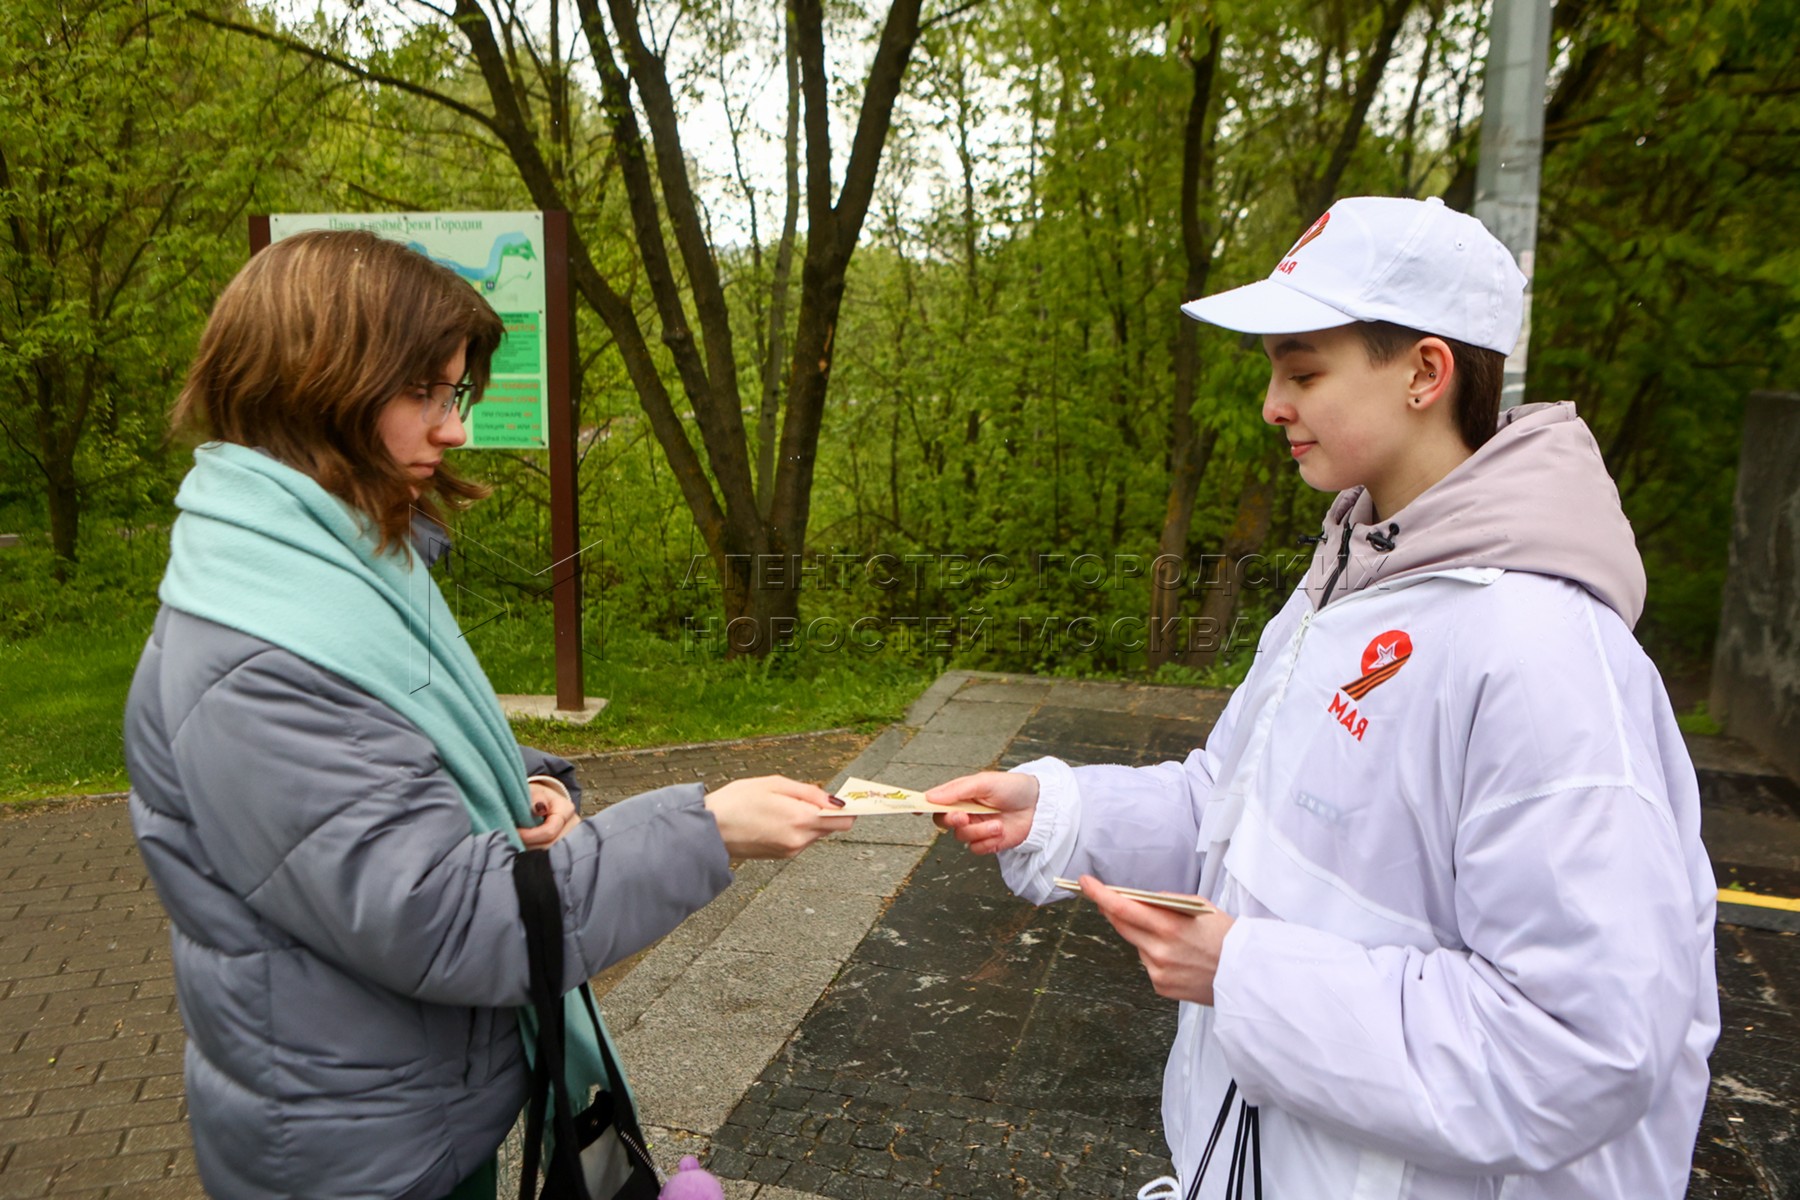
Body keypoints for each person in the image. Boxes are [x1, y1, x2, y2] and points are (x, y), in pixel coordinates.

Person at [928, 196, 1718, 1200]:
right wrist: (1060, 812)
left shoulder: (1540, 655)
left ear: (1426, 373)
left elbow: (1581, 1047)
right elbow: (1234, 805)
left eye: (1302, 370)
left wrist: (1247, 978)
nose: (1271, 403)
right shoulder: (1347, 584)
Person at [123, 229, 854, 1200]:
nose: (456, 428)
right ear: (316, 385)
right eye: (426, 393)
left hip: (411, 1108)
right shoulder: (258, 654)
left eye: (455, 393)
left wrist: (527, 777)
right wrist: (709, 829)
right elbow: (444, 918)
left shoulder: (328, 570)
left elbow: (396, 743)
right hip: (353, 1157)